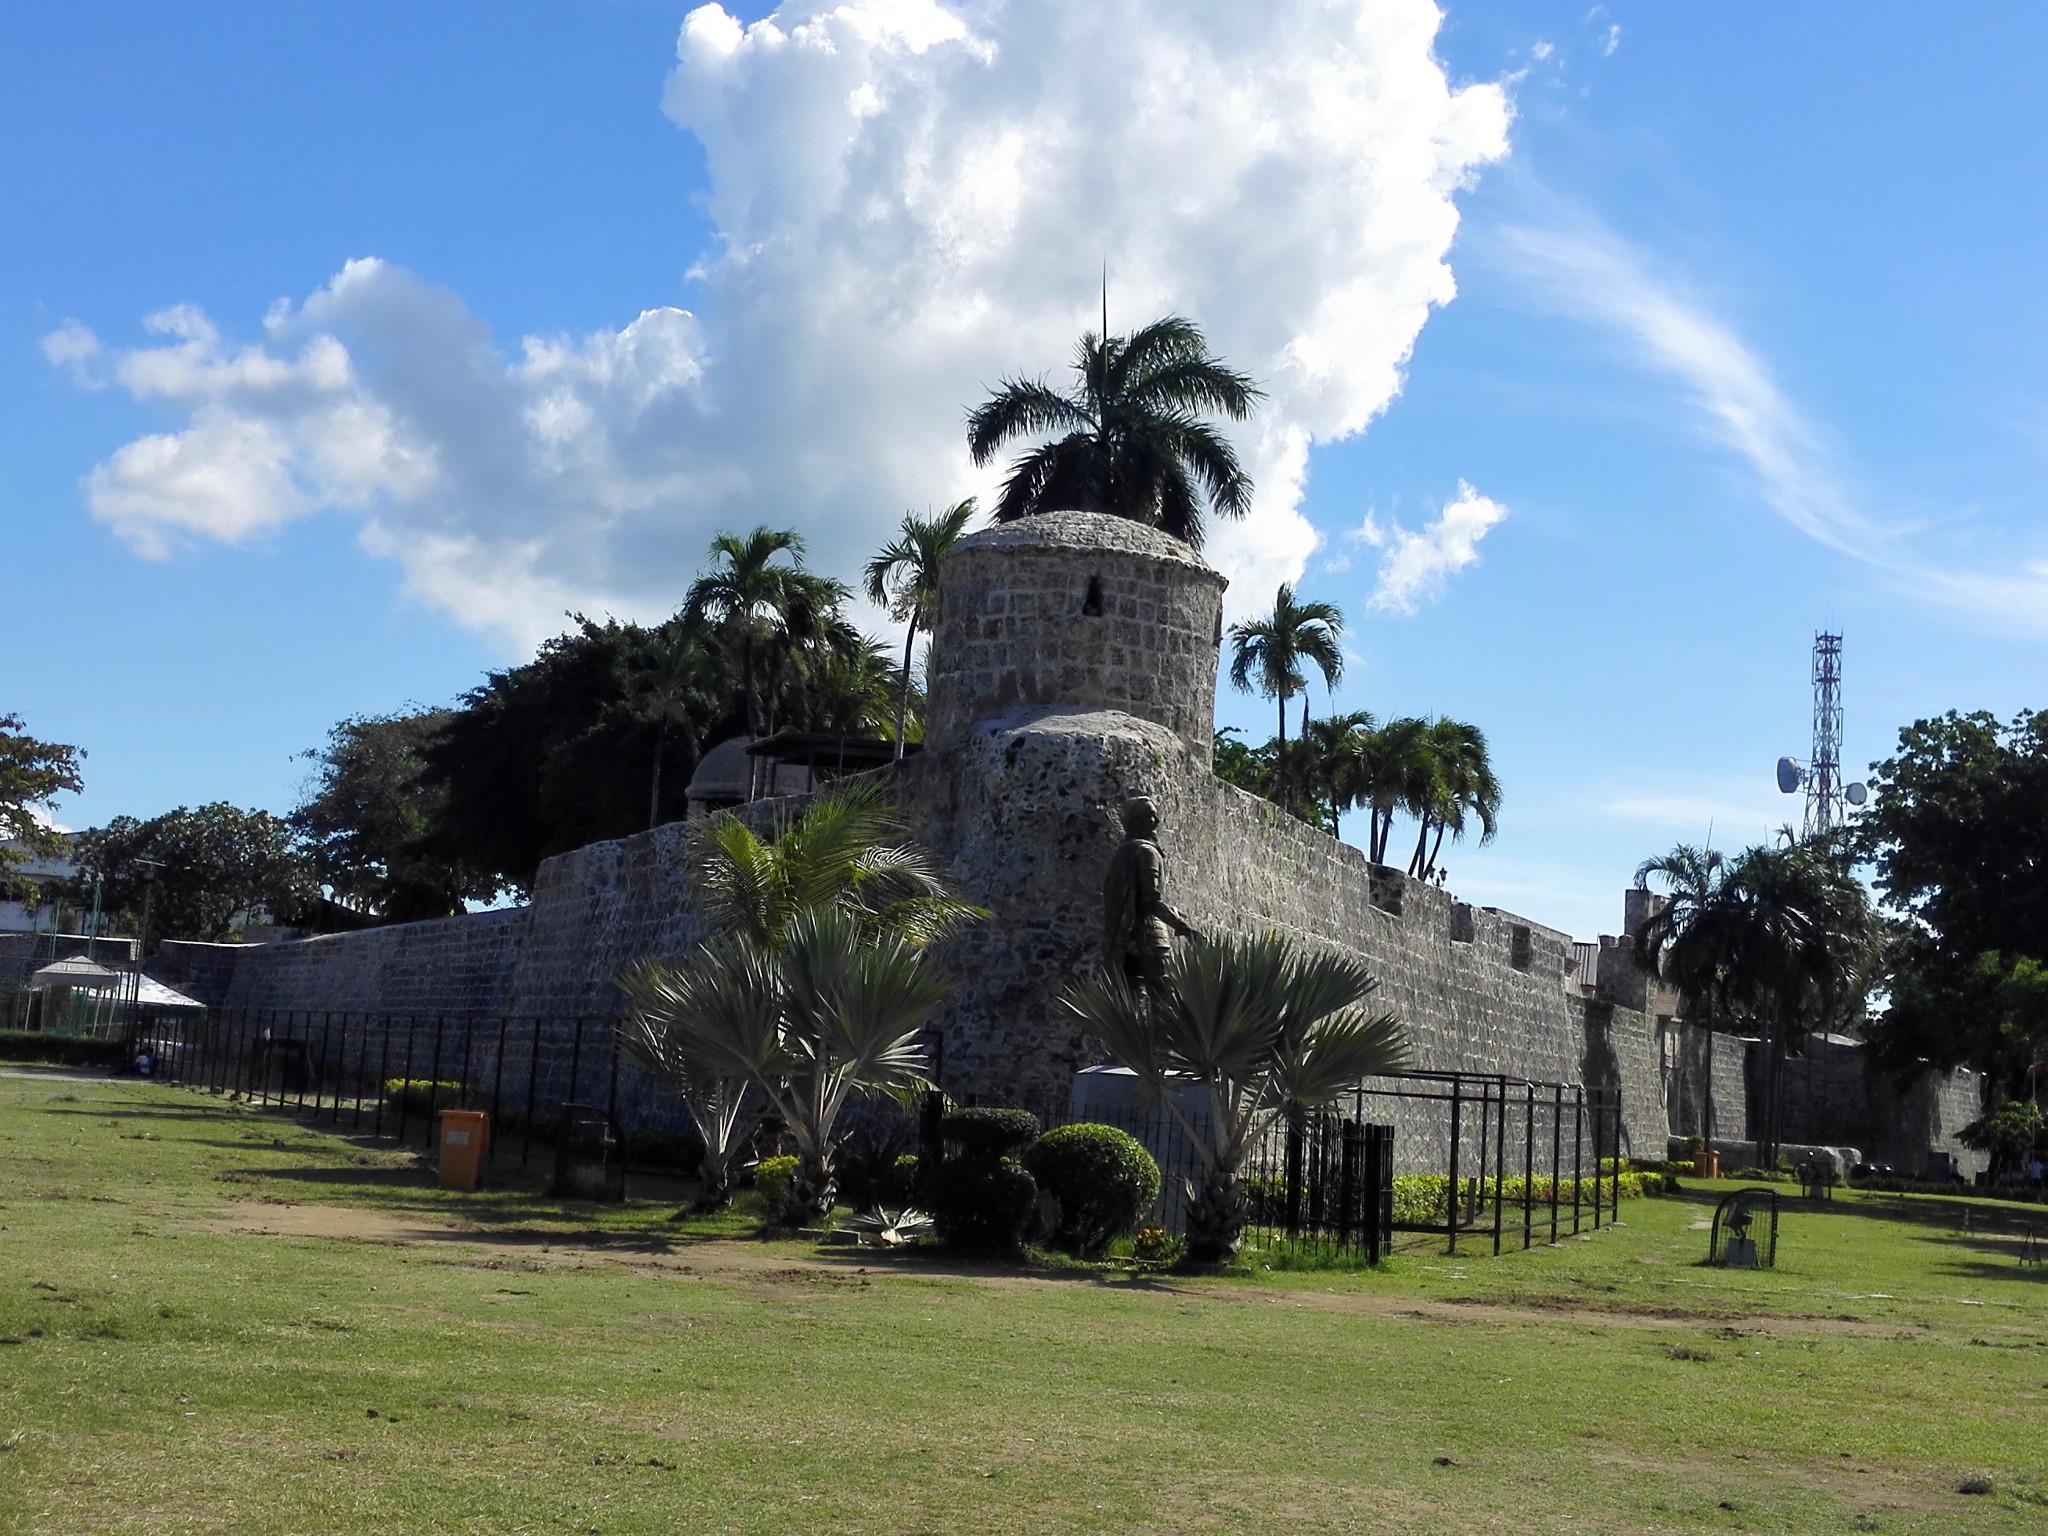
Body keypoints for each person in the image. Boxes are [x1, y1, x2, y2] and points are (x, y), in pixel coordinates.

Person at [1101, 794, 1200, 998]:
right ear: (1139, 820)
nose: (1157, 821)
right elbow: (1150, 900)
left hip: (1124, 938)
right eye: (1151, 816)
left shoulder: (1123, 852)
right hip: (1150, 936)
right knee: (1164, 997)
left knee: (1131, 997)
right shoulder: (1146, 852)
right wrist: (1182, 926)